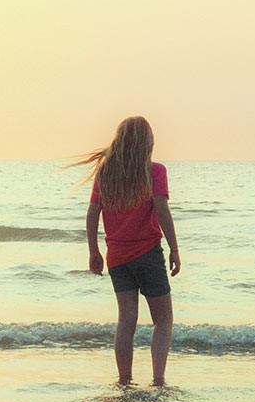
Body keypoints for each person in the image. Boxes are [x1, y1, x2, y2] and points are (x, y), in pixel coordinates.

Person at [74, 115, 180, 386]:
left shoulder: (106, 173)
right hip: (147, 253)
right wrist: (174, 249)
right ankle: (158, 380)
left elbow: (92, 212)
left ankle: (124, 380)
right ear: (148, 142)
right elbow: (162, 209)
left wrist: (93, 251)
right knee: (163, 320)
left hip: (117, 257)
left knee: (127, 320)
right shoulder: (155, 171)